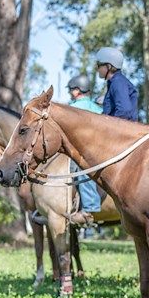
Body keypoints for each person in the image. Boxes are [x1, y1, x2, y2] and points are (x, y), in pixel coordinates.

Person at [66, 74, 102, 225]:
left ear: (76, 91)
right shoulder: (97, 108)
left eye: (71, 91)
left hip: (84, 153)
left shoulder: (72, 109)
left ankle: (89, 207)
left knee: (81, 171)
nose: (70, 94)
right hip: (101, 149)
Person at [94, 47, 139, 121]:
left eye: (99, 65)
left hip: (122, 129)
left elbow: (124, 111)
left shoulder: (117, 82)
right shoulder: (114, 82)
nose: (97, 68)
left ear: (108, 66)